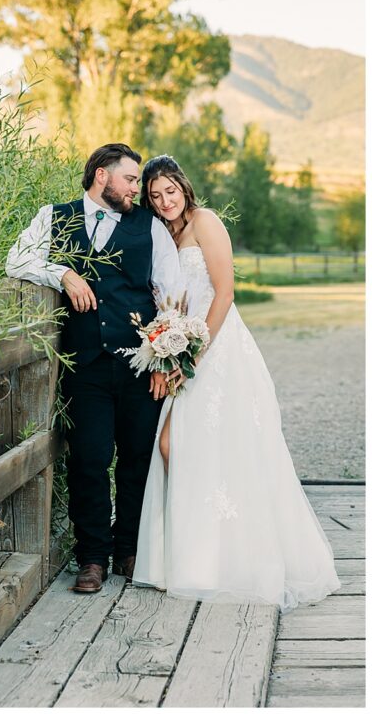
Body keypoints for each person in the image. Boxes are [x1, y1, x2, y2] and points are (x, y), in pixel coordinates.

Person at [133, 155, 339, 610]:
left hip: (218, 346)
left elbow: (224, 292)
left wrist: (195, 355)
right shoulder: (161, 235)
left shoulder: (204, 221)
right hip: (183, 348)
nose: (165, 201)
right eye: (155, 196)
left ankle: (233, 558)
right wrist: (166, 348)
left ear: (184, 188)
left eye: (170, 191)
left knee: (206, 444)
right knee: (179, 445)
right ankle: (199, 559)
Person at [5, 143, 181, 594]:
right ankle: (92, 558)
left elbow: (171, 293)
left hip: (141, 365)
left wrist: (165, 359)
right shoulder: (54, 216)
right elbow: (17, 259)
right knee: (89, 459)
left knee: (137, 459)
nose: (136, 189)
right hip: (86, 366)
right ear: (102, 176)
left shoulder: (150, 227)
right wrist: (62, 274)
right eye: (130, 179)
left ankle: (130, 550)